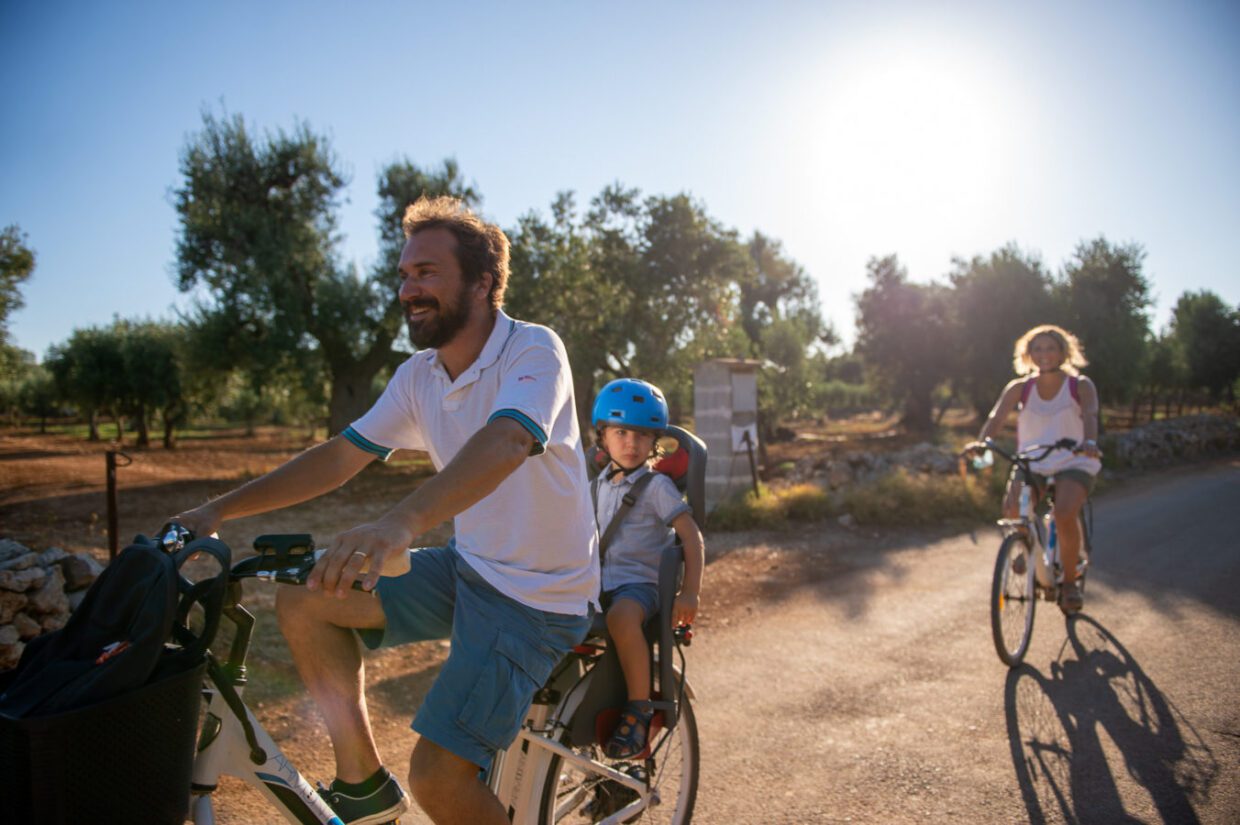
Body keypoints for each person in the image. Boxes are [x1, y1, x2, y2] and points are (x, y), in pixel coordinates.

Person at [174, 196, 598, 825]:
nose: (408, 289)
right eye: (403, 275)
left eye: (427, 273)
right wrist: (217, 509)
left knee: (439, 777)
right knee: (307, 594)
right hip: (469, 569)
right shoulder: (419, 376)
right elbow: (340, 455)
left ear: (483, 282)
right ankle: (364, 785)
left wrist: (397, 523)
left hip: (537, 599)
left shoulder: (533, 350)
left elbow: (508, 439)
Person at [590, 378, 705, 759]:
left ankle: (638, 708)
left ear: (654, 441)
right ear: (602, 437)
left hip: (640, 587)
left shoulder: (657, 487)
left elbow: (692, 537)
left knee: (622, 619)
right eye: (620, 432)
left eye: (642, 434)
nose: (631, 442)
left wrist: (689, 592)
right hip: (599, 583)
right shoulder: (596, 487)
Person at [972, 324, 1102, 615]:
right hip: (1032, 459)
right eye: (1037, 349)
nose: (1044, 354)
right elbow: (995, 418)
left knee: (1064, 511)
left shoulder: (1079, 385)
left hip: (1073, 458)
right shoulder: (1020, 387)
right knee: (1012, 508)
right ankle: (1024, 544)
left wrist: (1090, 441)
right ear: (1028, 354)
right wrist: (982, 443)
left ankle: (1069, 584)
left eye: (1050, 348)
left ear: (1062, 352)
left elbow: (1091, 415)